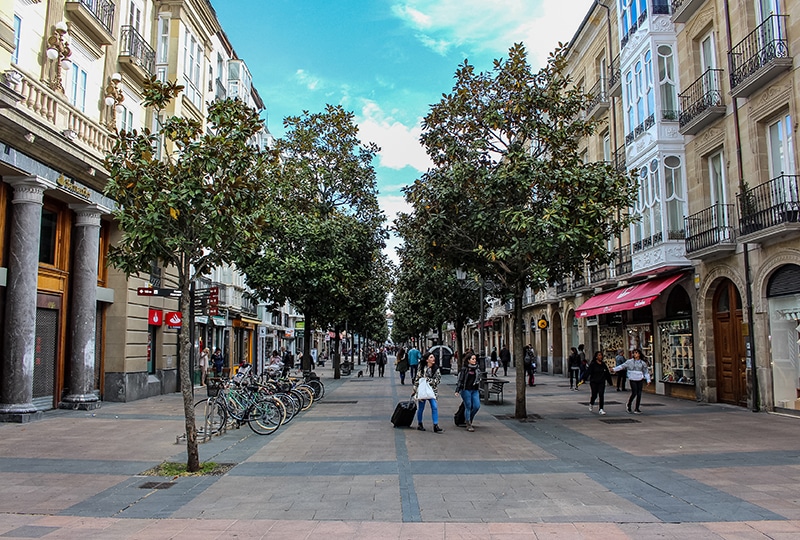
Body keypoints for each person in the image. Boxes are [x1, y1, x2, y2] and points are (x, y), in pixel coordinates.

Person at [611, 348, 651, 414]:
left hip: (639, 378)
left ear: (639, 354)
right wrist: (614, 369)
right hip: (632, 378)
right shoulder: (629, 362)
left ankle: (637, 408)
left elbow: (646, 372)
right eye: (634, 353)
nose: (635, 354)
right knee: (634, 392)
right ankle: (629, 404)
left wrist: (648, 380)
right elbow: (622, 366)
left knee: (639, 393)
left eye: (636, 353)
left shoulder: (642, 363)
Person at [413, 353, 443, 433]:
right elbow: (417, 378)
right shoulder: (422, 367)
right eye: (431, 357)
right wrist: (415, 390)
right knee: (421, 408)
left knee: (434, 407)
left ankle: (435, 425)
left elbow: (438, 379)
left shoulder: (436, 368)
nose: (433, 358)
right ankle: (420, 423)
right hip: (423, 390)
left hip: (432, 391)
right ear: (427, 360)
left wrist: (429, 381)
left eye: (433, 357)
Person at [454, 352, 482, 431]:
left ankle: (469, 419)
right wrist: (457, 390)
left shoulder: (477, 369)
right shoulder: (464, 369)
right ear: (468, 360)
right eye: (473, 359)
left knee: (476, 406)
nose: (474, 360)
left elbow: (478, 378)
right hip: (466, 390)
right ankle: (468, 423)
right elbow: (461, 380)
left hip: (474, 390)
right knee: (468, 406)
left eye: (475, 359)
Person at [584, 351, 613, 415]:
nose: (600, 356)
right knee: (594, 394)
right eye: (599, 355)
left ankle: (601, 409)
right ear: (596, 356)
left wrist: (610, 381)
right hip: (594, 382)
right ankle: (591, 403)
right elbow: (588, 372)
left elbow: (607, 373)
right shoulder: (593, 364)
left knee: (601, 394)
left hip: (601, 382)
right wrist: (583, 379)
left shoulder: (603, 364)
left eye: (601, 355)